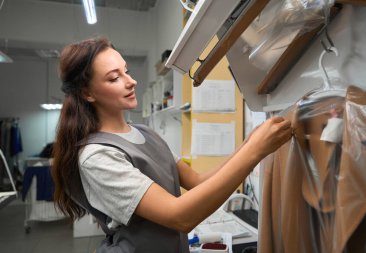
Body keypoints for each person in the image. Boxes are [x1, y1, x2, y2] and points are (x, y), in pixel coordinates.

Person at [51, 37, 292, 253]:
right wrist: (254, 151)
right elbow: (180, 216)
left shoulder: (147, 134)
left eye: (127, 71)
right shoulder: (98, 156)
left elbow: (197, 181)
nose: (131, 81)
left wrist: (250, 142)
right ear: (87, 93)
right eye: (114, 78)